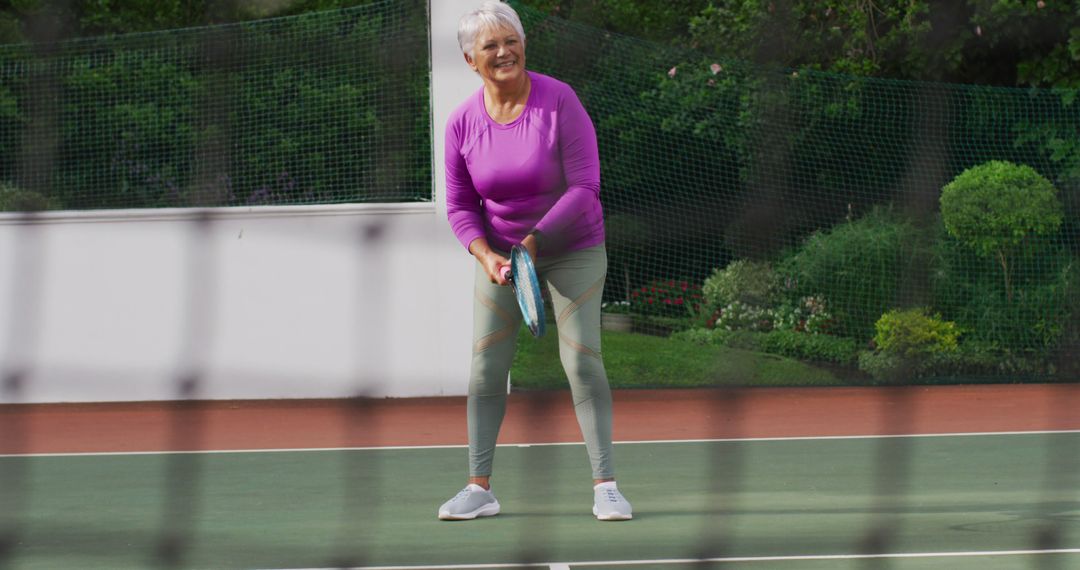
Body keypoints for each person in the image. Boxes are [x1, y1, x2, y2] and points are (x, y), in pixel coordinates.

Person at [438, 0, 632, 522]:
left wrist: (534, 243)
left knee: (582, 359)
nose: (504, 52)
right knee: (485, 367)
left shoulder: (559, 100)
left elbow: (586, 187)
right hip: (503, 256)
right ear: (470, 61)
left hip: (573, 249)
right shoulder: (462, 124)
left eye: (511, 41)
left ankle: (606, 486)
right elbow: (459, 205)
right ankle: (479, 488)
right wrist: (485, 255)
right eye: (490, 46)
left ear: (523, 45)